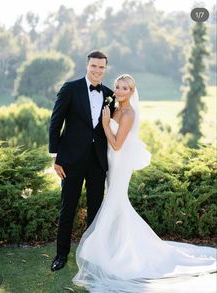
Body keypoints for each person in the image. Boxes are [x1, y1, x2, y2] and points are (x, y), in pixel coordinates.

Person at [72, 74, 216, 292]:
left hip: (119, 163)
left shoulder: (128, 113)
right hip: (110, 161)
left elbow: (118, 144)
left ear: (131, 92)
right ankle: (115, 247)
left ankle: (100, 249)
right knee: (117, 203)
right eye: (118, 87)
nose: (119, 91)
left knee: (115, 201)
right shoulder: (115, 108)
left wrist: (104, 124)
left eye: (125, 88)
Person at [49, 50, 115, 272]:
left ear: (106, 69)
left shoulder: (109, 94)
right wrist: (55, 156)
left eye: (101, 67)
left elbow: (111, 128)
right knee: (68, 208)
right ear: (87, 66)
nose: (97, 70)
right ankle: (61, 255)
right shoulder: (70, 89)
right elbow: (56, 122)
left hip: (97, 161)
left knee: (95, 210)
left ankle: (91, 256)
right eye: (94, 66)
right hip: (71, 161)